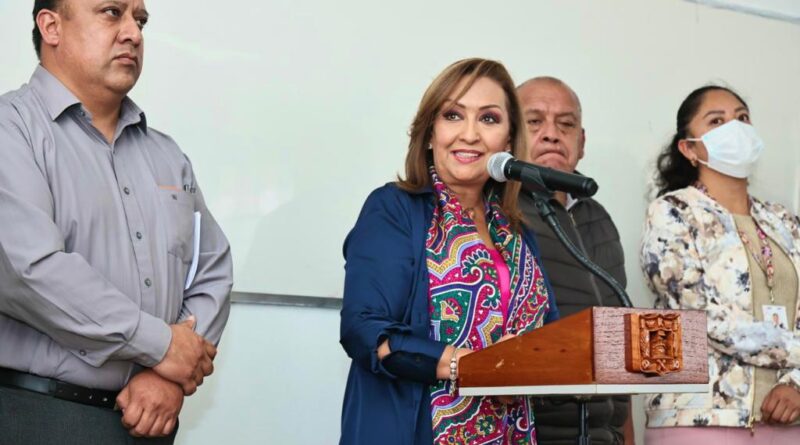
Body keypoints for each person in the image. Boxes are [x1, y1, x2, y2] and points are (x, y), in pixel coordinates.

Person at [0, 1, 232, 444]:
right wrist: (161, 346)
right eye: (111, 12)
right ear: (51, 27)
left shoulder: (168, 155)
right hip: (40, 416)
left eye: (139, 20)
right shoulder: (11, 130)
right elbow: (29, 271)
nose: (133, 33)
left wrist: (165, 375)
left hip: (153, 419)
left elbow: (212, 271)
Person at [339, 58, 559, 445]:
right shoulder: (394, 210)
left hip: (509, 432)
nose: (470, 134)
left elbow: (551, 336)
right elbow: (366, 331)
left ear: (508, 142)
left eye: (489, 119)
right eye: (453, 115)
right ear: (430, 132)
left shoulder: (518, 232)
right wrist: (473, 365)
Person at [641, 85, 800, 444]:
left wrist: (796, 383)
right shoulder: (673, 212)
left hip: (788, 420)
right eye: (717, 121)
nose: (735, 127)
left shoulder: (783, 221)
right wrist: (796, 351)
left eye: (742, 117)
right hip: (699, 419)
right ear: (689, 148)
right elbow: (701, 320)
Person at [515, 77, 633, 445]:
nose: (552, 135)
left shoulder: (598, 216)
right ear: (508, 135)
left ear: (581, 143)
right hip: (535, 431)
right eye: (535, 122)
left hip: (603, 434)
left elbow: (620, 338)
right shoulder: (498, 214)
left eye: (565, 124)